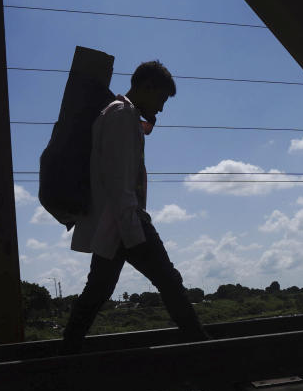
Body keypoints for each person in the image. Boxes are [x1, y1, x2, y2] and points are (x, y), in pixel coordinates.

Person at [62, 60, 209, 353]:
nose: (162, 108)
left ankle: (66, 354)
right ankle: (206, 351)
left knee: (98, 290)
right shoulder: (122, 115)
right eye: (161, 99)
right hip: (123, 220)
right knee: (169, 281)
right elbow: (118, 179)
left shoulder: (121, 114)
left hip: (115, 223)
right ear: (146, 87)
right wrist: (134, 226)